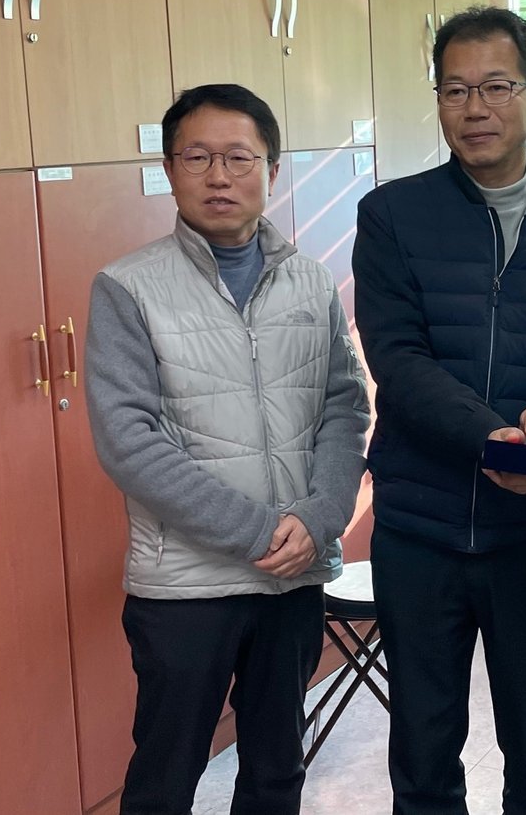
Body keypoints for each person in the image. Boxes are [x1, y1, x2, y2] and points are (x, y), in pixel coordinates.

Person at [352, 5, 526, 815]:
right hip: (419, 530)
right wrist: (496, 439)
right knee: (422, 751)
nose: (474, 108)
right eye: (455, 90)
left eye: (496, 87)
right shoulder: (393, 216)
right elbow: (398, 361)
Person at [85, 83, 369, 815]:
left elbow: (344, 405)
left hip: (293, 578)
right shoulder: (128, 287)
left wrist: (320, 517)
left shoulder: (308, 278)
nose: (219, 176)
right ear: (169, 169)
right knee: (165, 776)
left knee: (277, 770)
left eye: (239, 158)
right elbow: (128, 441)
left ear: (270, 170)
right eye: (198, 157)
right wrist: (257, 532)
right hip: (186, 587)